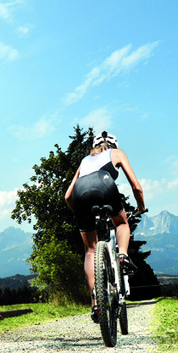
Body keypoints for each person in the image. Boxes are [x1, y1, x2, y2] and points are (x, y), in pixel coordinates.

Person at [64, 131, 146, 321]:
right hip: (105, 184)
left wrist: (81, 213)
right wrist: (141, 207)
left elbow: (68, 196)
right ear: (113, 144)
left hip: (80, 192)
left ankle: (95, 304)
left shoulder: (85, 160)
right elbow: (136, 186)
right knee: (122, 223)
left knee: (90, 250)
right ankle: (123, 257)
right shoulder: (117, 153)